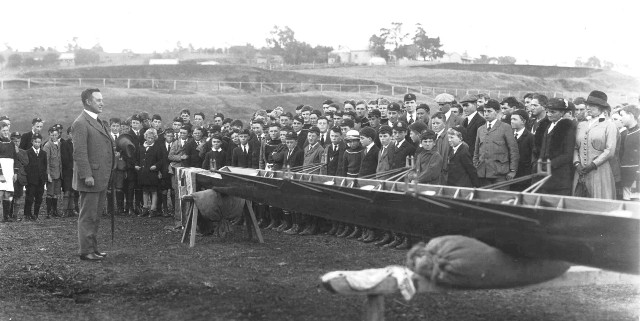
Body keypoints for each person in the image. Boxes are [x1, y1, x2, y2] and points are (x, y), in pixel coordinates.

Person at [72, 88, 114, 261]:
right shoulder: (81, 123)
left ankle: (92, 248)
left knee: (95, 216)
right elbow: (79, 153)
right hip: (91, 178)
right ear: (88, 102)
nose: (102, 103)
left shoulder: (98, 121)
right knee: (88, 216)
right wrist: (87, 175)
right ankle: (85, 250)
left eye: (102, 99)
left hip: (101, 177)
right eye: (98, 100)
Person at [572, 90, 617, 199]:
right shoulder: (581, 125)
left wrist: (593, 165)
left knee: (599, 200)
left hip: (599, 171)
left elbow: (609, 151)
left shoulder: (609, 125)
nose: (588, 108)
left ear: (601, 108)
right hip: (580, 171)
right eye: (588, 105)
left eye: (592, 106)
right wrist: (577, 164)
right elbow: (575, 147)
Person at [473, 99, 519, 187]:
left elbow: (513, 150)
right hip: (483, 173)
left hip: (500, 174)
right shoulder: (480, 129)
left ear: (497, 112)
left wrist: (513, 170)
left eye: (489, 111)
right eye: (485, 111)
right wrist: (476, 166)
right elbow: (476, 151)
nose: (486, 114)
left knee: (500, 198)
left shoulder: (505, 127)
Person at [536, 99, 576, 196]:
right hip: (545, 174)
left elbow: (568, 154)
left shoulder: (567, 128)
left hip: (560, 176)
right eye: (548, 111)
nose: (549, 114)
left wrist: (551, 164)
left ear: (562, 112)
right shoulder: (547, 126)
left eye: (553, 112)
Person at [135, 128, 164, 217]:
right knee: (145, 191)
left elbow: (161, 160)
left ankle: (153, 209)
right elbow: (137, 158)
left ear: (154, 138)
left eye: (152, 138)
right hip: (143, 173)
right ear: (145, 137)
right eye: (148, 138)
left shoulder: (157, 148)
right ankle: (145, 208)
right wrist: (136, 165)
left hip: (152, 173)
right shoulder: (141, 147)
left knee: (154, 191)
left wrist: (156, 166)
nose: (150, 140)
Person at [509, 110, 535, 192]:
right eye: (511, 119)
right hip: (509, 177)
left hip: (523, 178)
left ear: (523, 121)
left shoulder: (530, 138)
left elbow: (532, 158)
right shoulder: (508, 135)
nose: (512, 121)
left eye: (515, 119)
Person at [619, 105, 640, 200]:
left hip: (636, 179)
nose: (620, 118)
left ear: (631, 115)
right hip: (625, 177)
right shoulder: (623, 133)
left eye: (622, 115)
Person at [24, 134, 47, 221]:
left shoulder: (43, 153)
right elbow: (26, 166)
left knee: (39, 198)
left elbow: (44, 166)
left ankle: (36, 214)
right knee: (29, 197)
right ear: (32, 142)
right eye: (35, 142)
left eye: (39, 142)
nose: (37, 144)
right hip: (31, 180)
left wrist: (44, 178)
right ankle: (27, 214)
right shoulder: (28, 152)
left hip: (40, 180)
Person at [43, 126, 63, 218]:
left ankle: (55, 211)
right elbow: (45, 161)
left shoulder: (59, 144)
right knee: (50, 193)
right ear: (49, 135)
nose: (54, 136)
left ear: (58, 135)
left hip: (58, 173)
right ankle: (48, 212)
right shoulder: (47, 145)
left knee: (56, 193)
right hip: (51, 173)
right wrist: (48, 174)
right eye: (52, 135)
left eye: (56, 135)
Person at [0, 122, 17, 222]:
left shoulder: (11, 143)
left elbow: (15, 158)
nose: (6, 132)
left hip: (9, 171)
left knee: (8, 194)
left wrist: (15, 172)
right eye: (3, 131)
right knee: (0, 193)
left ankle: (6, 216)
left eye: (7, 130)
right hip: (1, 171)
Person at [460, 94, 486, 159]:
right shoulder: (465, 121)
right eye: (463, 106)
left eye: (467, 105)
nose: (464, 108)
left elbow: (481, 143)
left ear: (474, 105)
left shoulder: (481, 121)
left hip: (473, 158)